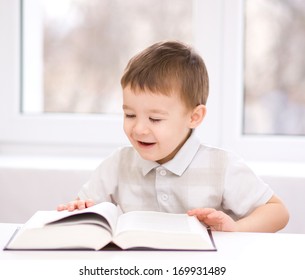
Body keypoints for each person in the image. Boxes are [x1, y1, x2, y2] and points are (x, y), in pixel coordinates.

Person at [57, 41, 289, 232]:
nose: (139, 129)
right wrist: (83, 210)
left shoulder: (221, 166)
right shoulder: (118, 164)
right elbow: (88, 208)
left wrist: (235, 229)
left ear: (194, 117)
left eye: (155, 119)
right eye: (129, 114)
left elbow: (278, 212)